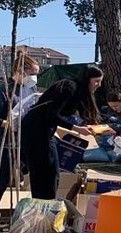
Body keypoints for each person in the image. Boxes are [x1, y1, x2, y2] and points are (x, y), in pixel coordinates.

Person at [0, 52, 40, 229]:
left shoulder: (30, 89)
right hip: (2, 141)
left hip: (21, 140)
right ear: (20, 71)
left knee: (29, 172)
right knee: (3, 179)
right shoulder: (3, 89)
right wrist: (5, 123)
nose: (34, 77)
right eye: (32, 73)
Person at [21, 70, 97, 199]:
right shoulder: (69, 88)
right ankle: (44, 206)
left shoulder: (77, 92)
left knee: (50, 173)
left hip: (43, 131)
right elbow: (52, 115)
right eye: (96, 81)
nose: (98, 85)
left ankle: (45, 204)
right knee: (45, 172)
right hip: (37, 132)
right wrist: (76, 129)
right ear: (87, 79)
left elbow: (82, 115)